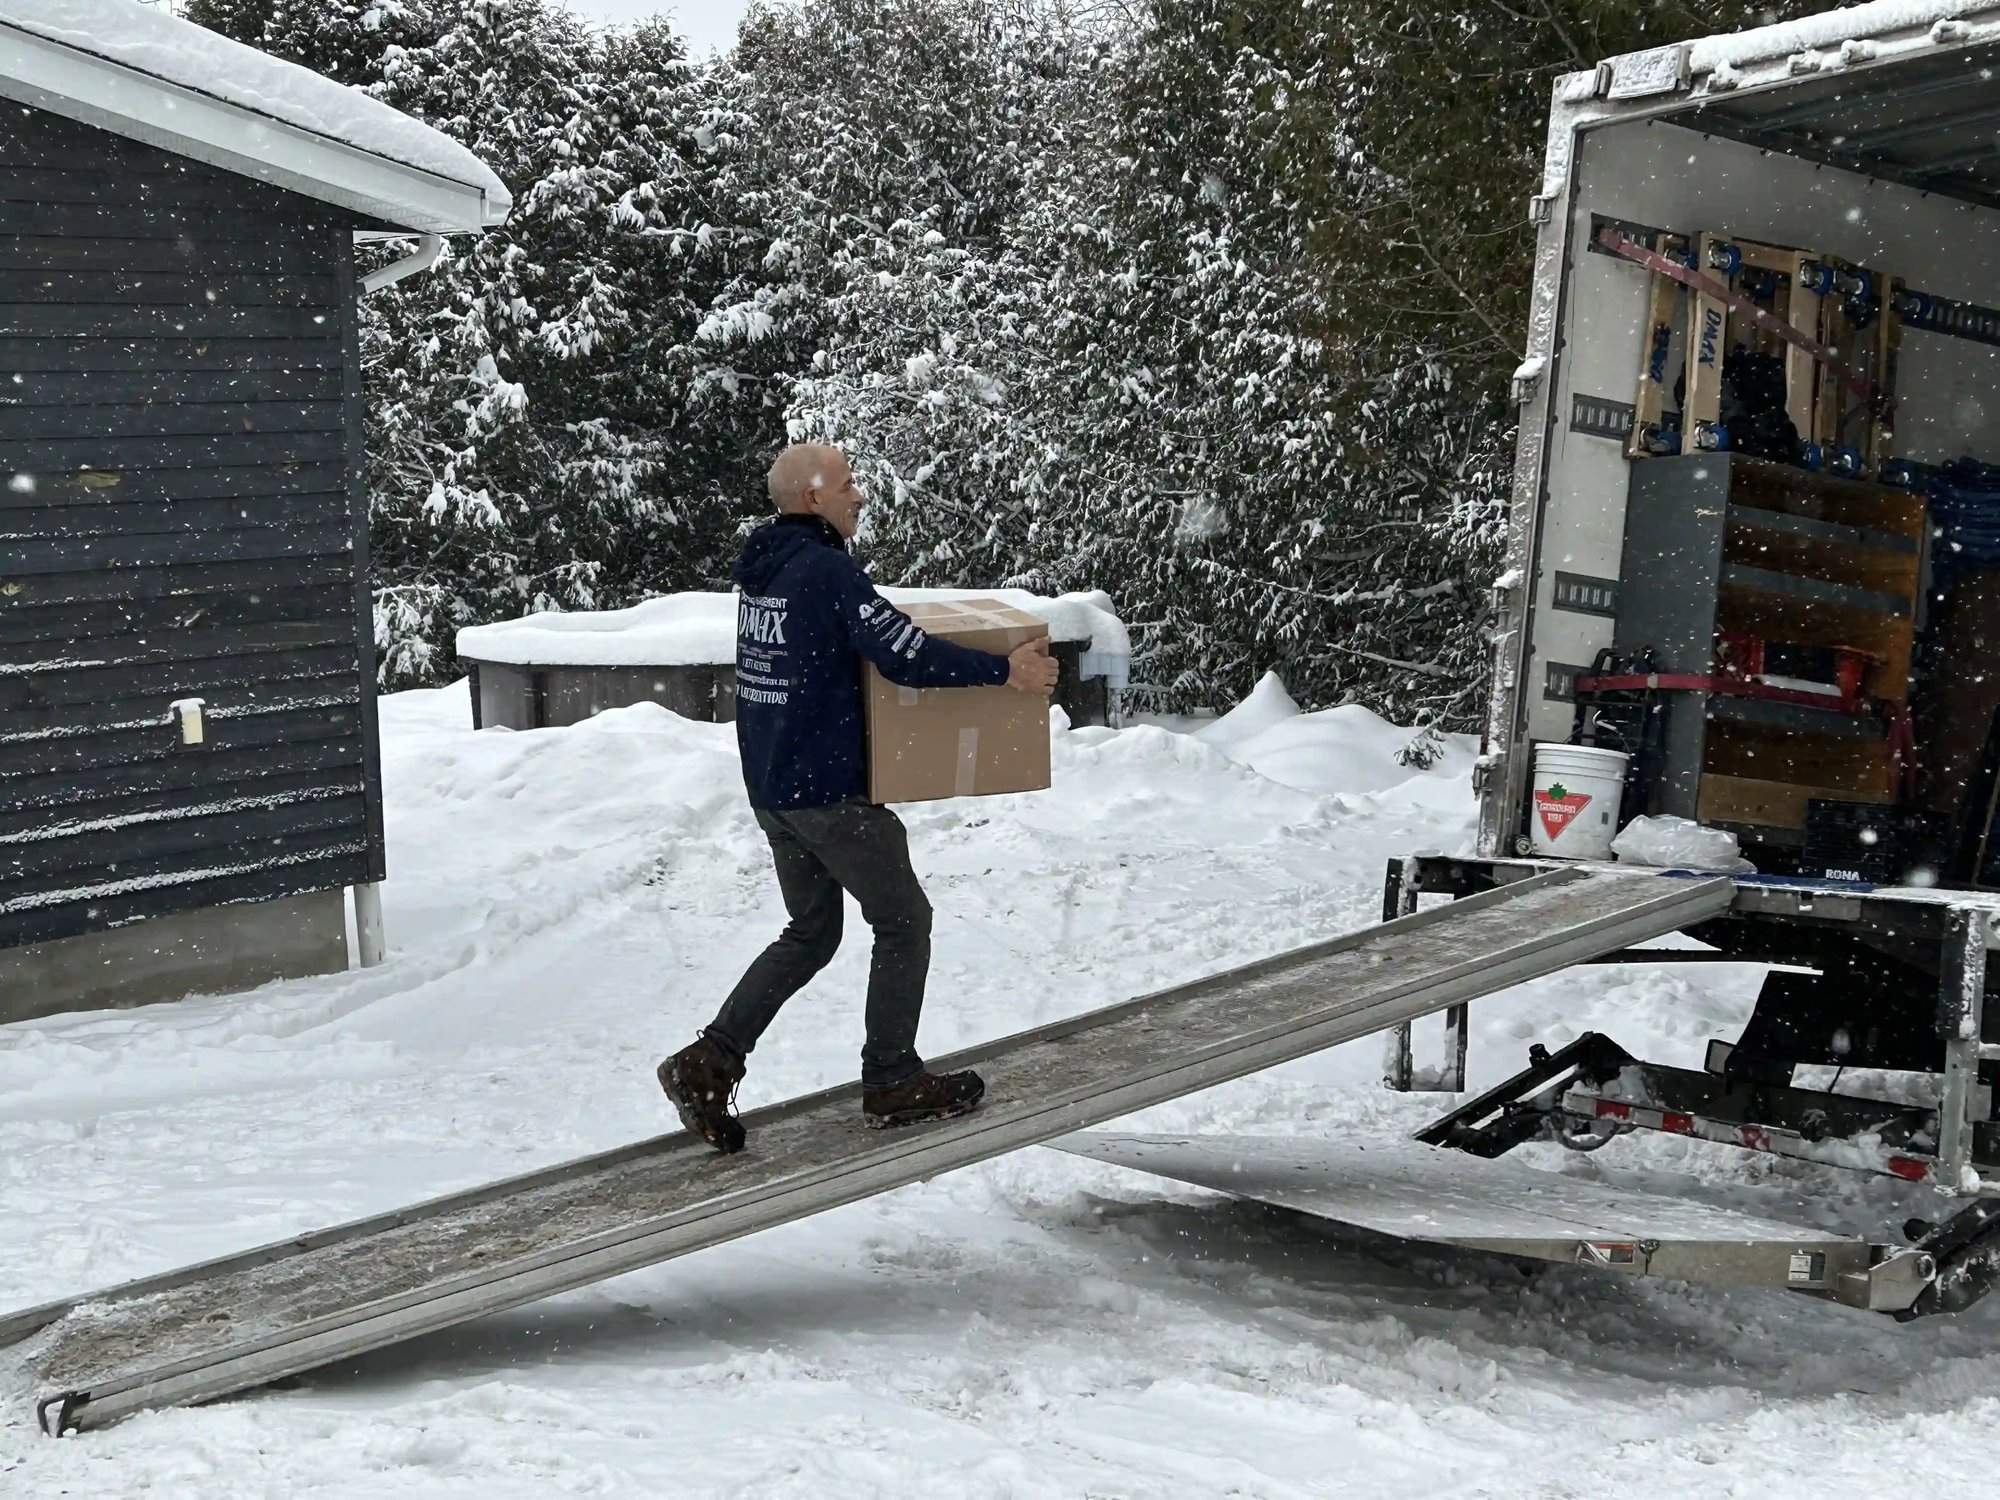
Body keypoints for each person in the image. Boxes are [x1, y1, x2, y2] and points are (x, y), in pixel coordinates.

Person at [659, 442, 1059, 1153]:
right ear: (813, 498)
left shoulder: (766, 571)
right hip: (826, 791)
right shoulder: (825, 571)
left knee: (812, 934)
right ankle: (892, 1078)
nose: (860, 496)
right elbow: (904, 650)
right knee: (904, 921)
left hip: (775, 787)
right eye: (847, 486)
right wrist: (1006, 673)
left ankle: (709, 1060)